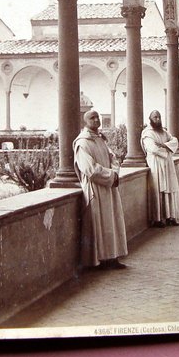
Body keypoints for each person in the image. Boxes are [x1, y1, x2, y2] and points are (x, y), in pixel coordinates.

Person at [73, 110, 128, 269]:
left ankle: (112, 257)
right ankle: (100, 260)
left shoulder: (100, 139)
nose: (97, 120)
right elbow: (89, 169)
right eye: (92, 118)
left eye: (98, 117)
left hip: (108, 186)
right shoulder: (82, 143)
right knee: (100, 224)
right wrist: (111, 176)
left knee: (111, 222)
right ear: (85, 121)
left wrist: (114, 173)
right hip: (95, 188)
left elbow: (113, 158)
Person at [140, 110, 179, 227]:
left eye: (159, 117)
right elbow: (153, 148)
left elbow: (175, 140)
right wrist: (167, 149)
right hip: (156, 164)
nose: (158, 119)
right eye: (155, 117)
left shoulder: (163, 132)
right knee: (158, 190)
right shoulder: (147, 133)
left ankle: (170, 216)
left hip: (167, 164)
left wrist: (164, 145)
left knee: (170, 189)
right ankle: (158, 219)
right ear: (150, 119)